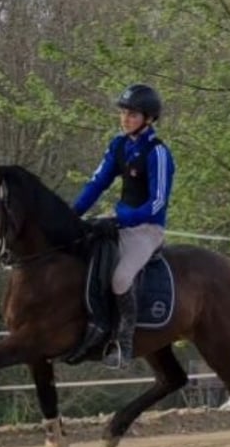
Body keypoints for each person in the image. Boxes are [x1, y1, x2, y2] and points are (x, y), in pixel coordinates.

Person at [72, 83, 175, 369]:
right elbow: (97, 183)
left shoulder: (158, 153)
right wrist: (73, 213)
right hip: (119, 221)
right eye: (124, 113)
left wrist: (122, 219)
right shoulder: (119, 145)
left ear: (149, 118)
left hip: (146, 228)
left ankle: (123, 342)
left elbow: (157, 203)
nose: (125, 118)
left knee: (120, 278)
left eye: (132, 114)